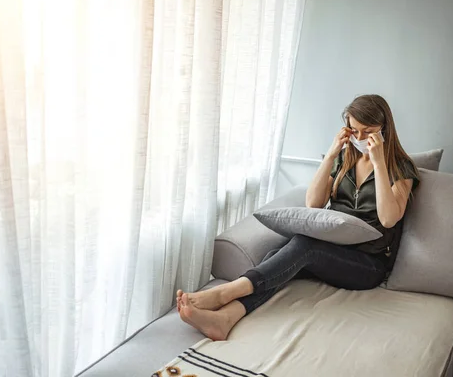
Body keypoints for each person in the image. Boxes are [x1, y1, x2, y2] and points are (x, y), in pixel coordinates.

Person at [176, 94, 420, 341]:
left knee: (305, 246)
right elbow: (313, 203)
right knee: (279, 256)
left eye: (368, 132)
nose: (359, 139)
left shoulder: (401, 167)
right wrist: (331, 154)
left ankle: (224, 293)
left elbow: (389, 219)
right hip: (332, 249)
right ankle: (224, 319)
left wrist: (378, 163)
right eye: (353, 131)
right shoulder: (346, 159)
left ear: (384, 129)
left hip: (368, 265)